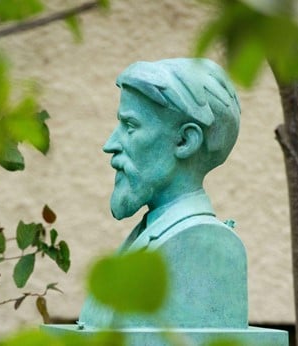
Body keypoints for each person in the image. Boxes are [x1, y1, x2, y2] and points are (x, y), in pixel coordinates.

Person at [79, 58, 248, 329]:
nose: (109, 145)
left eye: (130, 126)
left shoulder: (204, 244)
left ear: (185, 141)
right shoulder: (153, 232)